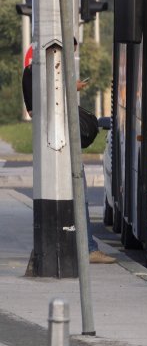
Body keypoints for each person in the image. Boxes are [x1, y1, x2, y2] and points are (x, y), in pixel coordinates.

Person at [22, 40, 115, 264]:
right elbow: (40, 108)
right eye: (67, 51)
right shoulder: (36, 73)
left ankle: (82, 246)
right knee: (78, 195)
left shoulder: (35, 73)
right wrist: (70, 88)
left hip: (58, 143)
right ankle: (87, 249)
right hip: (58, 144)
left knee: (75, 195)